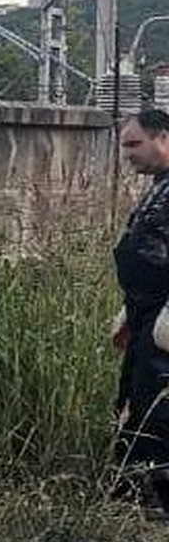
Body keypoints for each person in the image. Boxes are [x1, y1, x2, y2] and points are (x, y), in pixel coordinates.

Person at [112, 108, 169, 516]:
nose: (127, 154)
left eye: (135, 144)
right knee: (136, 398)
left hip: (163, 315)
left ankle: (157, 499)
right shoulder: (159, 186)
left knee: (158, 403)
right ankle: (135, 493)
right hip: (144, 310)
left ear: (163, 137)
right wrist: (126, 313)